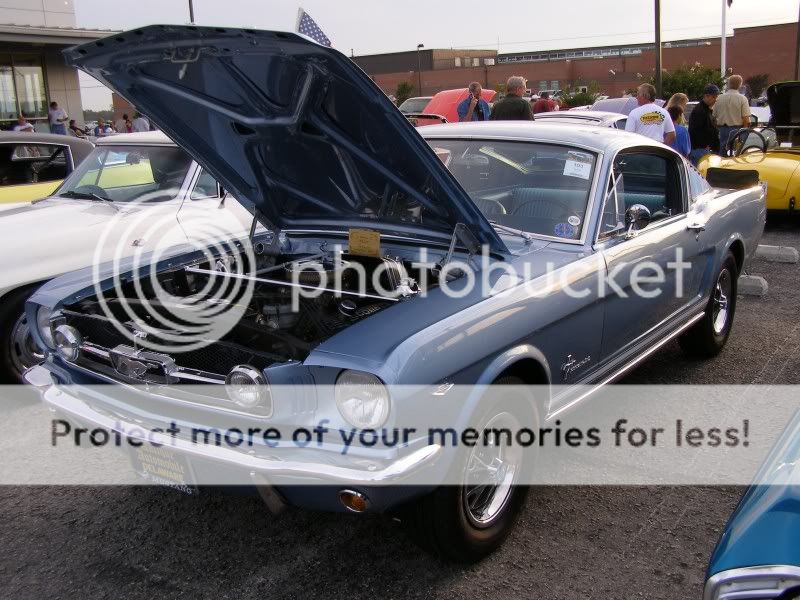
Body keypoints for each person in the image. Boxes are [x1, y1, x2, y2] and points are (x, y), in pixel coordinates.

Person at [713, 74, 751, 154]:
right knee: (736, 153)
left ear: (728, 84)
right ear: (740, 85)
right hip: (737, 130)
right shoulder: (742, 99)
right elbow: (745, 118)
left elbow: (714, 116)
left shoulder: (719, 98)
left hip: (722, 129)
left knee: (722, 153)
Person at [688, 84, 720, 165]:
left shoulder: (705, 110)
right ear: (707, 96)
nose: (716, 100)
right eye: (714, 97)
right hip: (700, 149)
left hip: (702, 148)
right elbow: (698, 131)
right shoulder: (700, 111)